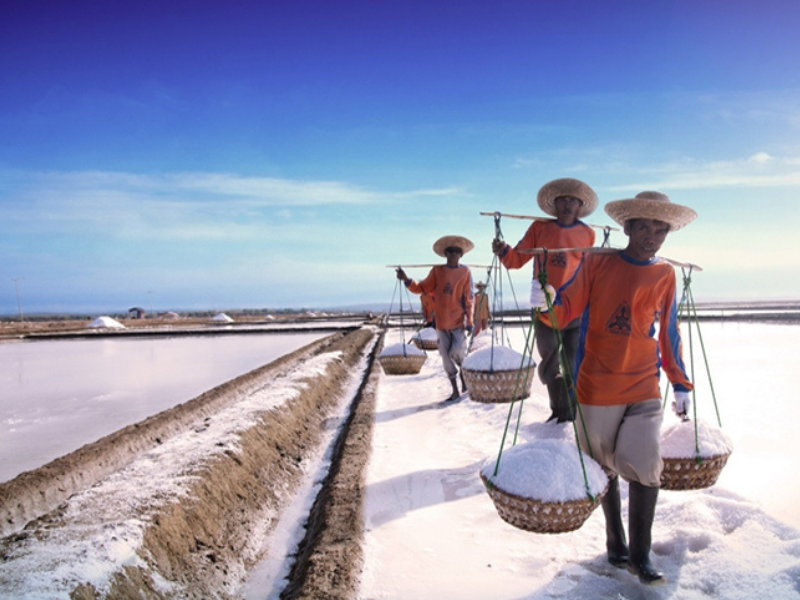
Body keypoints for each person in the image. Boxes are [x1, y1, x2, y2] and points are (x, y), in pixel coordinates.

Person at [530, 191, 696, 586]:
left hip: (643, 384)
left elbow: (670, 331)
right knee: (604, 466)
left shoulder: (665, 274)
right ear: (627, 227)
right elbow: (566, 308)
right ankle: (614, 539)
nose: (653, 236)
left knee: (644, 462)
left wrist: (679, 381)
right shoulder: (597, 263)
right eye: (645, 226)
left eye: (662, 229)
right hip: (596, 384)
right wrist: (548, 301)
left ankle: (641, 555)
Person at [492, 177, 598, 422]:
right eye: (562, 200)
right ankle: (557, 409)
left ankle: (570, 414)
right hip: (544, 308)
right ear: (555, 204)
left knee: (574, 363)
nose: (567, 205)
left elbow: (592, 270)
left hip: (576, 310)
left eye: (573, 200)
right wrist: (503, 251)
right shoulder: (540, 229)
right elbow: (516, 259)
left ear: (580, 205)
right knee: (549, 362)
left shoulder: (588, 234)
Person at [396, 235, 474, 401]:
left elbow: (468, 298)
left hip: (458, 321)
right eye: (450, 252)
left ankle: (465, 381)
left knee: (458, 351)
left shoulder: (465, 272)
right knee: (446, 357)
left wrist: (470, 322)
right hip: (441, 324)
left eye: (457, 252)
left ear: (461, 255)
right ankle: (455, 390)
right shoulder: (437, 271)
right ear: (445, 254)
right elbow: (421, 287)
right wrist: (406, 279)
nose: (453, 254)